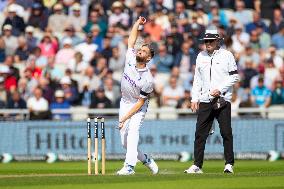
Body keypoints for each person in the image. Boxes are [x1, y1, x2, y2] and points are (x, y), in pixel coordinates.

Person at [184, 29, 239, 174]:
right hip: (204, 99)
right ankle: (197, 165)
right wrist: (194, 98)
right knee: (199, 134)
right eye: (205, 41)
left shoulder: (227, 55)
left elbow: (234, 77)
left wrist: (220, 89)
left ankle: (229, 164)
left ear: (217, 41)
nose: (207, 43)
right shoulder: (200, 56)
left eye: (210, 41)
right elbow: (197, 79)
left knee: (226, 132)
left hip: (222, 98)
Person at [116, 17, 158, 175]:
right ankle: (146, 159)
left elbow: (140, 103)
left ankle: (129, 167)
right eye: (140, 49)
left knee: (133, 132)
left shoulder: (148, 80)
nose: (140, 50)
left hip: (138, 107)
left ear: (148, 58)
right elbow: (131, 40)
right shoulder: (130, 58)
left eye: (144, 51)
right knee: (124, 143)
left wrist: (125, 118)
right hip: (125, 102)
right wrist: (137, 24)